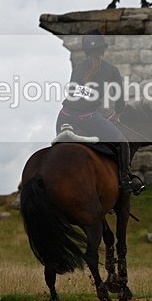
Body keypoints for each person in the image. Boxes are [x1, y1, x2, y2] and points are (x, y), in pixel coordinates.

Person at [56, 29, 145, 196]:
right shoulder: (111, 70)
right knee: (123, 143)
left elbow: (73, 93)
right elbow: (119, 98)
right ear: (103, 49)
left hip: (64, 116)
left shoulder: (78, 68)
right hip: (87, 117)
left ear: (86, 50)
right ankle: (125, 183)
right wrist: (117, 113)